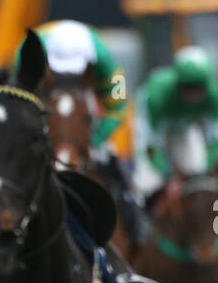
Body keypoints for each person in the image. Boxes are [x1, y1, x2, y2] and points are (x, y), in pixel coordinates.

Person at [13, 20, 142, 242]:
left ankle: (135, 225)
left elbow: (119, 106)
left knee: (122, 178)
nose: (67, 78)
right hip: (42, 104)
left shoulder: (106, 61)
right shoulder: (25, 53)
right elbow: (17, 102)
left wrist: (95, 137)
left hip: (88, 107)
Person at [132, 46, 218, 219]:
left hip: (184, 129)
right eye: (187, 87)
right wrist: (169, 175)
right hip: (155, 133)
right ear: (178, 82)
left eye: (198, 88)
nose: (193, 95)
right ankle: (141, 224)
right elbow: (149, 144)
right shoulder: (157, 95)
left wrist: (202, 169)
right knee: (148, 181)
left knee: (197, 171)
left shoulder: (214, 95)